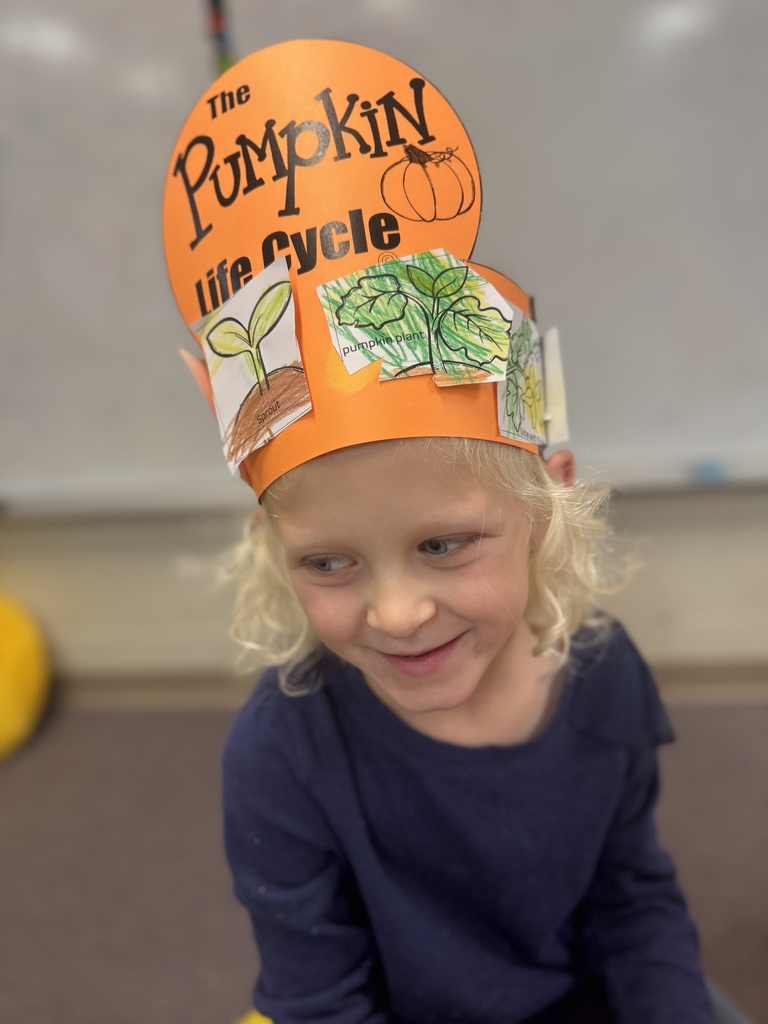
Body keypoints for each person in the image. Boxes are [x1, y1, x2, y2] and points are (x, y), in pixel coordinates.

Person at [161, 38, 724, 1024]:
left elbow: (631, 900)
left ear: (544, 505)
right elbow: (319, 998)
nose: (397, 609)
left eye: (443, 543)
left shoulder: (602, 669)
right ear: (273, 548)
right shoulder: (283, 749)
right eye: (328, 561)